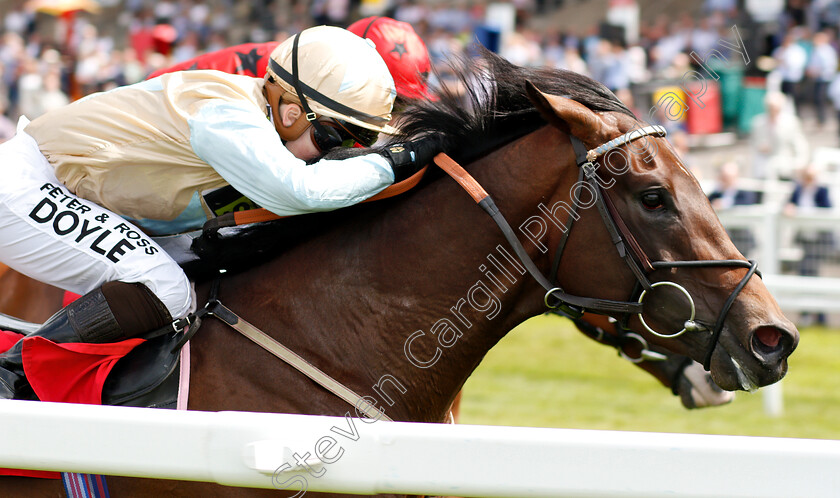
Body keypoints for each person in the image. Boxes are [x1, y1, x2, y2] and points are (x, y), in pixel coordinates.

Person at [0, 25, 443, 400]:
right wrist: (394, 160)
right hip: (25, 185)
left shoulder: (263, 121)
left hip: (57, 188)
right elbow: (300, 190)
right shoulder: (228, 114)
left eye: (356, 144)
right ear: (291, 111)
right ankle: (11, 377)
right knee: (164, 287)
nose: (338, 154)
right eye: (333, 139)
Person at [784, 164, 834, 326]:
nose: (808, 180)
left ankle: (820, 317)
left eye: (810, 177)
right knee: (805, 273)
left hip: (819, 241)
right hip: (805, 239)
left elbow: (826, 209)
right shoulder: (798, 190)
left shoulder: (822, 191)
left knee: (813, 275)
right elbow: (788, 205)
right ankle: (808, 315)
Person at [749, 92, 809, 180]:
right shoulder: (758, 122)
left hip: (784, 168)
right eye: (770, 107)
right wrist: (760, 147)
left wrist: (800, 163)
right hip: (763, 169)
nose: (773, 110)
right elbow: (753, 143)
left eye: (775, 107)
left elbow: (800, 145)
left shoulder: (790, 123)